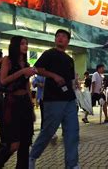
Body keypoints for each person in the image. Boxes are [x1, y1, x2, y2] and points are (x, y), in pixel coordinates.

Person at [29, 29, 79, 169]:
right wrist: (54, 76)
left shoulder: (70, 59)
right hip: (53, 99)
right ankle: (32, 156)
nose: (60, 38)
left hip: (69, 99)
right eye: (58, 36)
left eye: (63, 36)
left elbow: (70, 81)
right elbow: (37, 69)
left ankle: (72, 164)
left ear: (68, 41)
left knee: (72, 132)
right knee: (48, 131)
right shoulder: (49, 54)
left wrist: (76, 93)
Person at [0, 37, 36, 168]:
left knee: (25, 143)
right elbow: (3, 80)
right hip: (12, 102)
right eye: (22, 43)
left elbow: (27, 86)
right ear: (16, 45)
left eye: (27, 44)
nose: (25, 46)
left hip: (25, 103)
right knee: (14, 144)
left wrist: (31, 106)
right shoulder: (7, 60)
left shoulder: (26, 63)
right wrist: (22, 72)